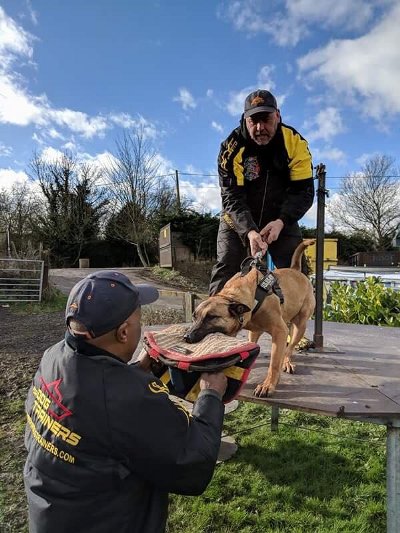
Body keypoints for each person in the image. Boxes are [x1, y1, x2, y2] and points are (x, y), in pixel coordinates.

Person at [24, 270, 227, 533]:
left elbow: (94, 401)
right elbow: (193, 465)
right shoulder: (128, 398)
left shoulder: (53, 356)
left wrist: (133, 371)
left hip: (53, 512)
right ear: (123, 333)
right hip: (106, 521)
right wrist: (211, 395)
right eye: (139, 320)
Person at [209, 89, 315, 295]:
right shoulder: (231, 149)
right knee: (226, 269)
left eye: (265, 120)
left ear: (278, 115)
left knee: (294, 272)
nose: (259, 128)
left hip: (280, 219)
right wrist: (249, 231)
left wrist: (281, 221)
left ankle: (289, 321)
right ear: (244, 120)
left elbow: (303, 192)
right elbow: (232, 197)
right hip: (237, 221)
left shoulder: (294, 143)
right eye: (253, 121)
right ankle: (212, 324)